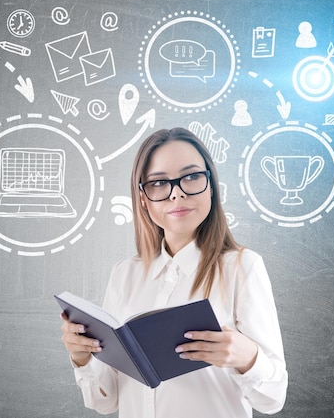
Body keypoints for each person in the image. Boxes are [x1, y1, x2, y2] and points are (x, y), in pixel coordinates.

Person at [60, 127, 288, 417]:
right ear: (143, 197)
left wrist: (248, 358)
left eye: (192, 176)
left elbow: (272, 399)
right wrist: (82, 357)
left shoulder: (243, 267)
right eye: (158, 183)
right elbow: (107, 401)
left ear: (211, 185)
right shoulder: (124, 275)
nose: (177, 193)